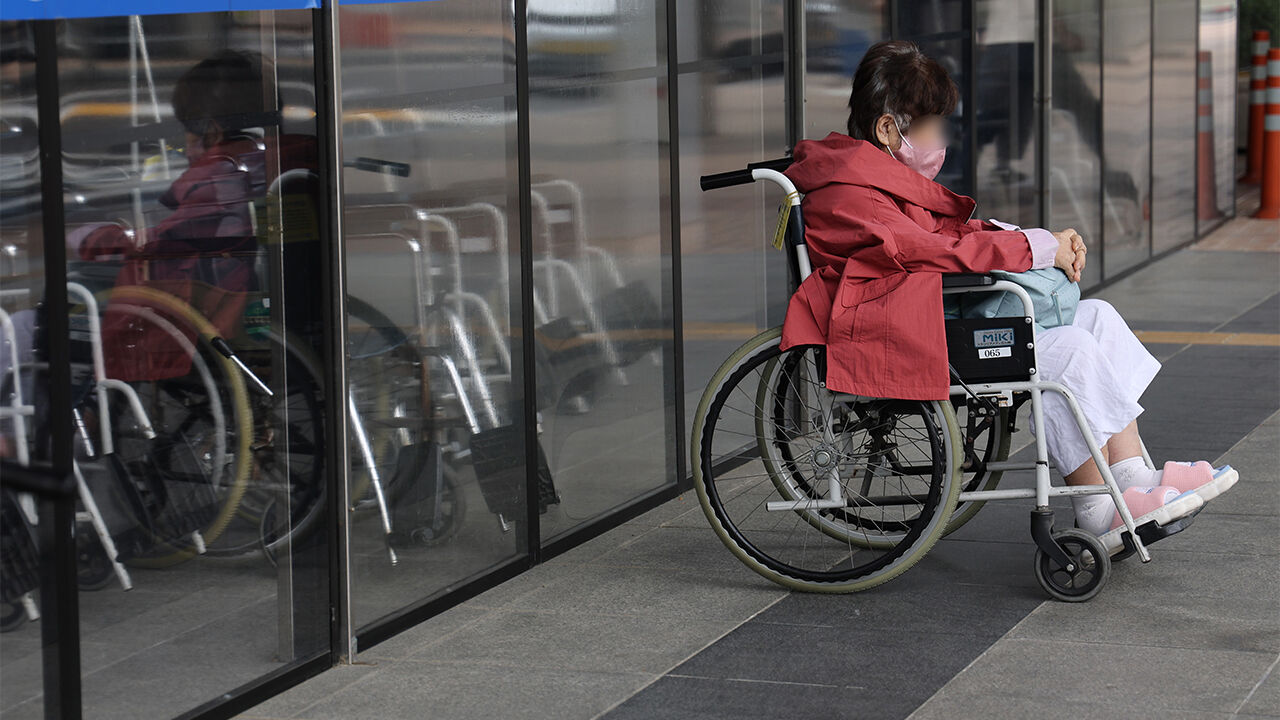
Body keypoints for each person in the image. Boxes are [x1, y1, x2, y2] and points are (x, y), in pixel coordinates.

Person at [778, 40, 1237, 543]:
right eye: (933, 123)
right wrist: (1034, 248)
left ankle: (1129, 479)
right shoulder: (851, 190)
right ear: (889, 128)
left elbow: (944, 238)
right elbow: (931, 252)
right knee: (1066, 351)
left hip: (934, 310)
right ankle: (1096, 509)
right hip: (909, 327)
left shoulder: (874, 175)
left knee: (1097, 317)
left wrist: (1038, 241)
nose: (943, 136)